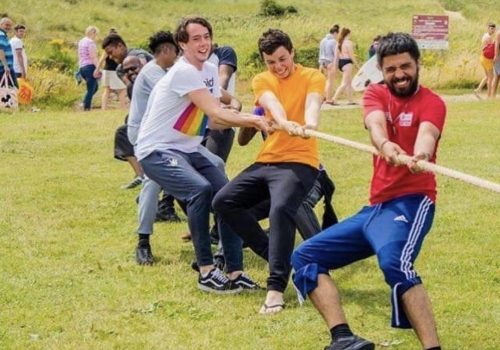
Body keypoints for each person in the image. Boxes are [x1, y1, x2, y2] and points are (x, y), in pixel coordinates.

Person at [291, 32, 446, 350]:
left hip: (412, 203)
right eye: (391, 69)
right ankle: (343, 338)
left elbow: (427, 134)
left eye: (405, 66)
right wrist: (386, 144)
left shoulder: (432, 102)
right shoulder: (376, 94)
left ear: (417, 64)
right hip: (375, 209)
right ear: (381, 70)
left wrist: (420, 154)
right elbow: (375, 126)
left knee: (395, 264)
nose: (399, 74)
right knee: (305, 256)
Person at [135, 16, 267, 293]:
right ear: (182, 44)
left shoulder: (209, 69)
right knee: (200, 190)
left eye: (206, 36)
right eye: (196, 38)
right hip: (156, 149)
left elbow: (213, 120)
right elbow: (218, 113)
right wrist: (254, 120)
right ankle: (206, 270)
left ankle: (235, 272)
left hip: (187, 147)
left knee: (229, 198)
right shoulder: (183, 72)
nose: (203, 43)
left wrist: (251, 116)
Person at [213, 29, 324, 313]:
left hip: (301, 162)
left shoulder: (313, 76)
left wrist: (309, 125)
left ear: (292, 52)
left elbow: (313, 103)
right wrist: (285, 121)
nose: (278, 66)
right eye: (271, 62)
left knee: (280, 209)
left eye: (282, 59)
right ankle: (279, 257)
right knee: (224, 202)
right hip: (268, 161)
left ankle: (275, 289)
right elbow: (271, 102)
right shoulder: (263, 80)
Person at [125, 30, 182, 265]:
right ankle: (143, 242)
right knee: (152, 180)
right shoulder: (154, 74)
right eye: (177, 53)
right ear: (168, 51)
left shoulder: (159, 70)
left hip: (163, 133)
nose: (178, 58)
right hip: (145, 135)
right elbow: (181, 96)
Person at [202, 44, 239, 162]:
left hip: (221, 122)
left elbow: (223, 77)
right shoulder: (191, 62)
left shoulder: (224, 52)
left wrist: (216, 102)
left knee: (213, 165)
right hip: (197, 124)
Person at [94, 28, 127, 110]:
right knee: (122, 90)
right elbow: (102, 59)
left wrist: (97, 69)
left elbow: (101, 60)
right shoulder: (112, 48)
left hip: (106, 70)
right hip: (114, 71)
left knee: (107, 90)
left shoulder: (106, 49)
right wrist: (97, 69)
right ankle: (123, 108)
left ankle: (104, 108)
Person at [332, 27, 357, 105]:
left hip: (341, 62)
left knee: (349, 82)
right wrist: (357, 65)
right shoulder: (348, 43)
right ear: (348, 34)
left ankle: (350, 100)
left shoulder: (338, 43)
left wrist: (335, 67)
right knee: (344, 83)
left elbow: (336, 57)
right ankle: (334, 99)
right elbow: (351, 55)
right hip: (347, 62)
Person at [78, 26, 99, 111]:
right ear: (93, 33)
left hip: (82, 66)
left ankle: (84, 101)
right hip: (90, 66)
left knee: (95, 87)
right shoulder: (90, 43)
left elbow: (79, 55)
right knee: (91, 88)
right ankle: (86, 107)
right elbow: (93, 57)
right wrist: (98, 68)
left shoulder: (81, 41)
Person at [319, 25, 339, 105]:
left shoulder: (323, 40)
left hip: (322, 62)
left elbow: (320, 52)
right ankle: (329, 98)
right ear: (334, 33)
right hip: (330, 62)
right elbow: (335, 54)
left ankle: (323, 96)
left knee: (324, 81)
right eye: (337, 34)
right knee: (330, 81)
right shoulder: (334, 42)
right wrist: (335, 65)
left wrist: (320, 63)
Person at [475, 23, 496, 98]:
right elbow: (490, 50)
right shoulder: (488, 38)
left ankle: (478, 90)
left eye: (493, 29)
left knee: (487, 76)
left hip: (482, 57)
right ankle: (489, 95)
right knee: (491, 77)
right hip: (486, 58)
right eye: (491, 28)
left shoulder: (485, 36)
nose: (493, 30)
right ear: (488, 28)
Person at [0, 16, 17, 87]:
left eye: (10, 25)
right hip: (3, 68)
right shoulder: (1, 35)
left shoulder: (4, 35)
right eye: (6, 25)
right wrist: (6, 66)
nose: (8, 27)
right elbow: (0, 50)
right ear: (0, 25)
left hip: (7, 67)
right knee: (12, 90)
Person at [491, 27, 500, 98]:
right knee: (496, 76)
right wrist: (496, 56)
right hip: (499, 57)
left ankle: (493, 95)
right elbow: (496, 45)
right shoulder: (499, 33)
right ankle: (492, 95)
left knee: (496, 77)